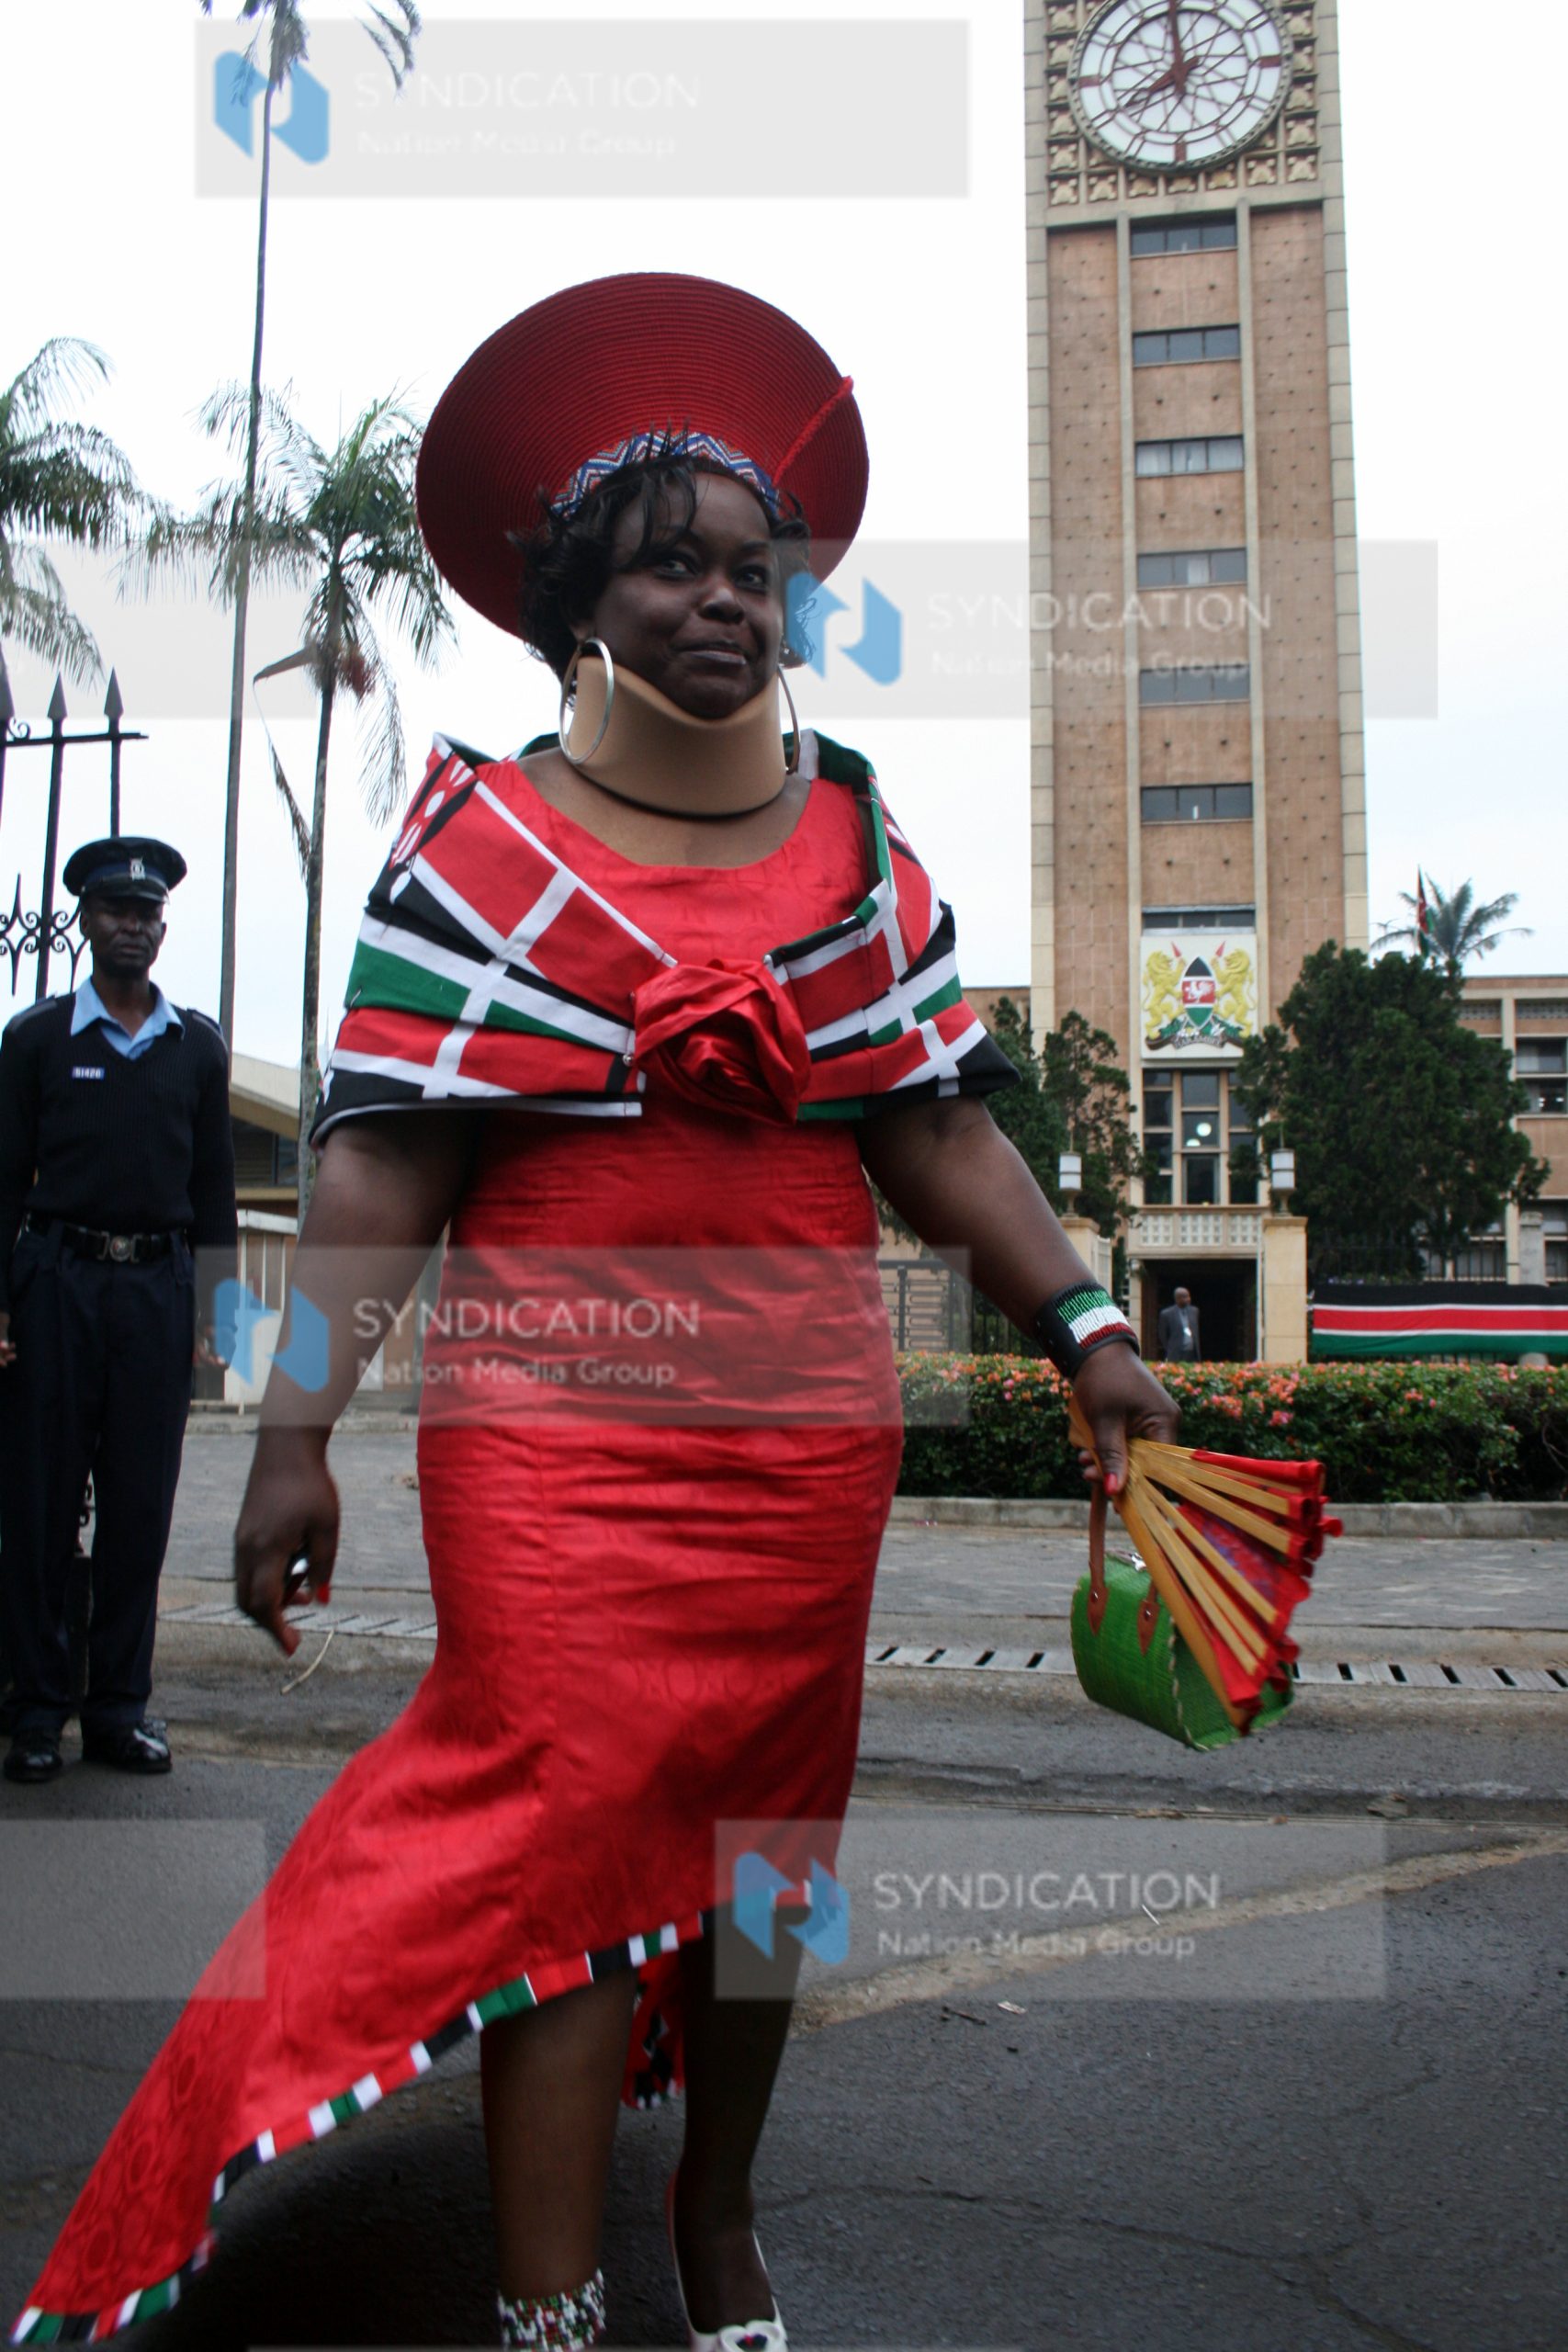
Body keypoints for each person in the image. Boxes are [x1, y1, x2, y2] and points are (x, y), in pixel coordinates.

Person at [11, 276, 1179, 2351]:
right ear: (578, 603)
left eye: (752, 569)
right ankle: (543, 2301)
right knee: (556, 1837)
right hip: (549, 1447)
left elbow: (936, 1132)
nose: (721, 598)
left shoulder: (860, 847)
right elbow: (380, 1169)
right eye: (669, 566)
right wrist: (293, 1436)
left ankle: (715, 2214)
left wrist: (1084, 1322)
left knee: (764, 1849)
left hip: (801, 1449)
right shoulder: (476, 847)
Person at [0, 837, 236, 1787]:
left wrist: (219, 1315)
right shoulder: (37, 1040)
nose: (131, 926)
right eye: (114, 911)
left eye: (146, 914)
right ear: (86, 922)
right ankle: (35, 1711)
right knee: (41, 1508)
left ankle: (117, 1711)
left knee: (139, 1510)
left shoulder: (197, 1047)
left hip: (156, 1296)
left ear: (162, 930)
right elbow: (3, 1182)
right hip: (56, 1288)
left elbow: (214, 1192)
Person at [1157, 1283, 1202, 1362]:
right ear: (1177, 1299)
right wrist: (1170, 1348)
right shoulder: (1167, 1314)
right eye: (1185, 1297)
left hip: (1192, 1353)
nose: (1188, 1299)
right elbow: (1162, 1334)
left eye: (1188, 1296)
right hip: (1176, 1353)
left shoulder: (1194, 1311)